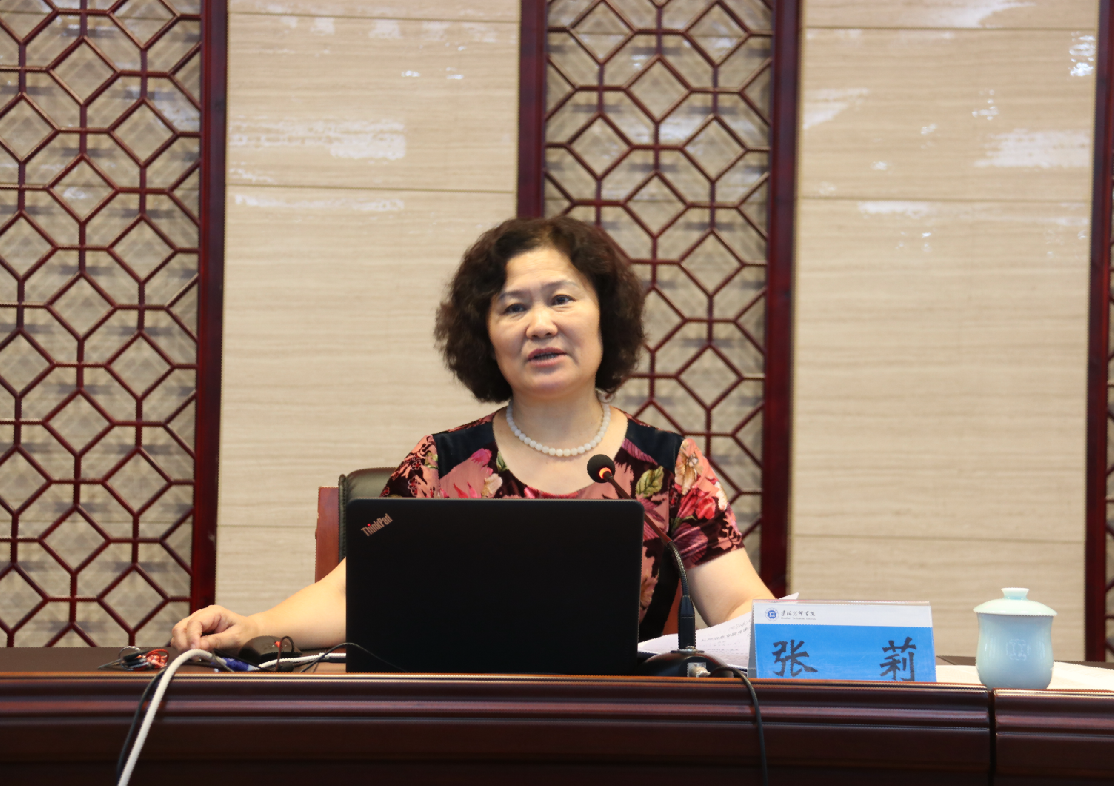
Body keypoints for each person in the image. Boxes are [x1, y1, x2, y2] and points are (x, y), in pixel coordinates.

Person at [171, 216, 773, 653]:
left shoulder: (668, 466)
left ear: (605, 317)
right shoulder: (441, 463)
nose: (540, 324)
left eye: (562, 299)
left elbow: (738, 605)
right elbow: (354, 595)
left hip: (616, 727)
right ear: (485, 336)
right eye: (513, 307)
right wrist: (253, 626)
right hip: (456, 720)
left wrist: (800, 634)